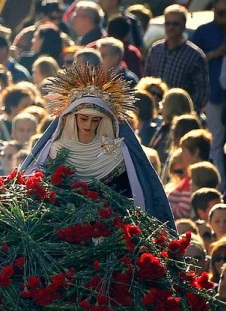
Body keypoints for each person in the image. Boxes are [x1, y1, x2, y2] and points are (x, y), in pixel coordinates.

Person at [21, 65, 175, 230]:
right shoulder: (54, 150)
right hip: (60, 229)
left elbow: (129, 198)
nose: (88, 125)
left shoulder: (116, 154)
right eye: (84, 118)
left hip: (109, 230)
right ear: (73, 118)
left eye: (95, 120)